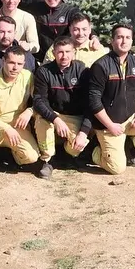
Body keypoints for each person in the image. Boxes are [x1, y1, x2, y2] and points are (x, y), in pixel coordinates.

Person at [86, 24, 135, 174]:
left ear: (131, 41)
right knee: (117, 169)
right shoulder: (100, 66)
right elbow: (94, 101)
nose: (124, 41)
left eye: (127, 37)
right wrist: (110, 125)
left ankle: (133, 144)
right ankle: (95, 152)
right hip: (108, 125)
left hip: (130, 119)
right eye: (120, 37)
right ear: (112, 41)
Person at [0, 46, 42, 174]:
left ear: (24, 64)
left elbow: (40, 101)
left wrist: (30, 111)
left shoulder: (28, 77)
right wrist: (6, 128)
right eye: (11, 62)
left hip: (17, 127)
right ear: (3, 61)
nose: (15, 67)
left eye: (19, 64)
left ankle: (12, 157)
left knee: (32, 156)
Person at [31, 36, 91, 177]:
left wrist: (83, 132)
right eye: (60, 52)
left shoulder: (82, 70)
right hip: (53, 114)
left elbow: (91, 103)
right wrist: (56, 119)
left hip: (75, 117)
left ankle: (66, 154)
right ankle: (47, 160)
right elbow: (39, 101)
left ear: (74, 52)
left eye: (68, 52)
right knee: (42, 120)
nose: (64, 56)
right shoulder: (44, 71)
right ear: (54, 53)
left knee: (76, 148)